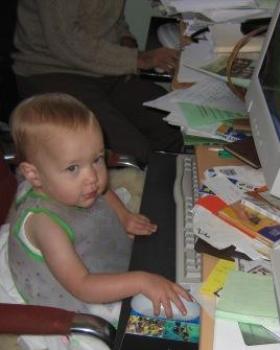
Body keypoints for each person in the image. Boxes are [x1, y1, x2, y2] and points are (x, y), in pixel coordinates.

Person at [8, 93, 190, 322]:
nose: (92, 177)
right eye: (73, 168)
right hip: (76, 299)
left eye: (96, 159)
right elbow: (83, 286)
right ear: (34, 175)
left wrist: (123, 216)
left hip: (92, 260)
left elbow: (103, 191)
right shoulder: (45, 225)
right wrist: (143, 280)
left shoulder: (78, 187)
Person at [12, 0, 183, 165]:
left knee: (173, 122)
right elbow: (65, 42)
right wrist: (139, 59)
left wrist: (126, 39)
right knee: (134, 150)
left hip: (99, 67)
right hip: (51, 71)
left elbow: (112, 19)